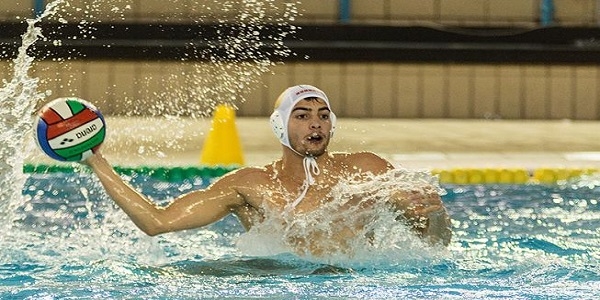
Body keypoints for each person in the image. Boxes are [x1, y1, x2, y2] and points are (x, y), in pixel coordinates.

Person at [85, 84, 452, 256]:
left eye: (323, 116)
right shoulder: (250, 185)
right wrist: (95, 161)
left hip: (353, 283)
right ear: (280, 126)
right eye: (303, 115)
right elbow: (157, 223)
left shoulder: (367, 169)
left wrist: (434, 214)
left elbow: (435, 244)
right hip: (274, 282)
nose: (316, 125)